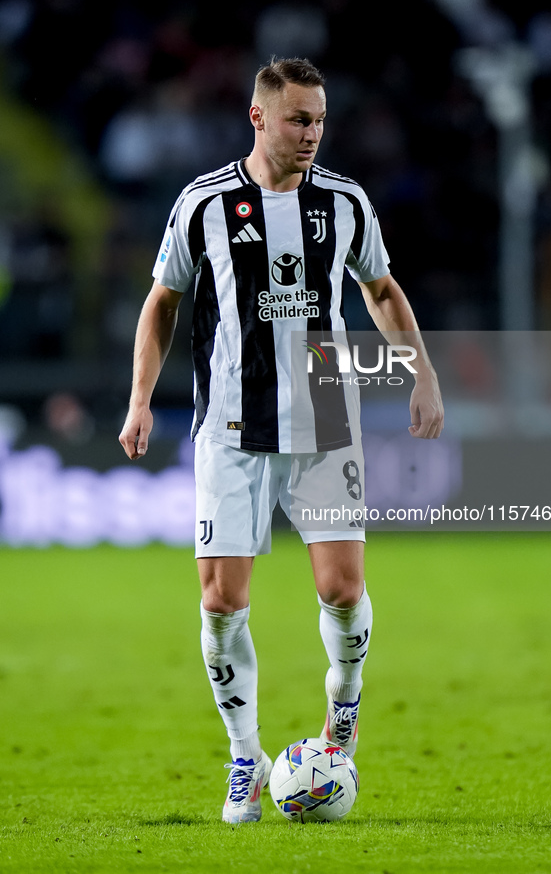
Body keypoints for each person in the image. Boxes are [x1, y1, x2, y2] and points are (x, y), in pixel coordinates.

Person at [119, 57, 444, 823]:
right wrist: (139, 400)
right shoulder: (202, 203)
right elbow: (162, 301)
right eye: (299, 119)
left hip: (324, 409)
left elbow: (382, 290)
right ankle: (245, 754)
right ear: (259, 118)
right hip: (229, 425)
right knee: (221, 600)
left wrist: (421, 375)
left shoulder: (344, 201)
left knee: (341, 588)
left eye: (321, 120)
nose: (312, 134)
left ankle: (345, 701)